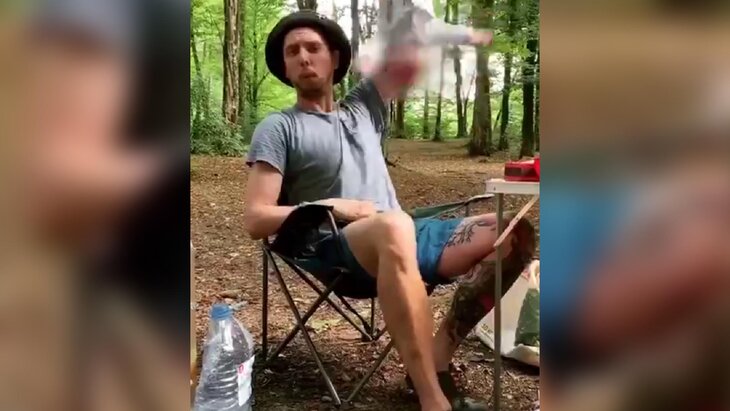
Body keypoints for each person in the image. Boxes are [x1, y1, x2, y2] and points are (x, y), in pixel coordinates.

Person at [244, 10, 536, 411]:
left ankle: (437, 359)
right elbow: (256, 219)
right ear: (284, 65)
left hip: (403, 231)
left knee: (513, 232)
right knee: (395, 225)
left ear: (334, 58)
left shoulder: (363, 106)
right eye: (292, 51)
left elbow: (407, 50)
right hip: (337, 247)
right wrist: (332, 205)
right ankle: (432, 397)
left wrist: (454, 32)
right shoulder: (278, 127)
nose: (304, 57)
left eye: (313, 48)